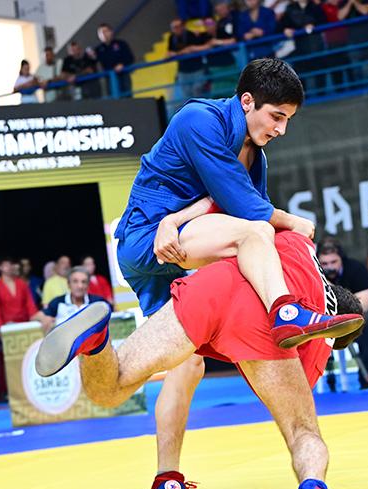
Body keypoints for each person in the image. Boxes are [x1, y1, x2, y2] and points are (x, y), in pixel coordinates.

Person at [36, 230, 364, 489]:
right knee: (303, 431)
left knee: (110, 388)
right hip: (263, 322)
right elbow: (281, 395)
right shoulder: (320, 341)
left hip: (210, 283)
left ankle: (96, 342)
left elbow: (247, 224)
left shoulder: (298, 241)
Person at [114, 58, 354, 351]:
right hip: (146, 239)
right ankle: (287, 313)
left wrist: (173, 220)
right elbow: (249, 211)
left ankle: (97, 352)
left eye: (287, 120)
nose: (281, 129)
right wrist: (294, 221)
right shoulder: (198, 119)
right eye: (276, 117)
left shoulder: (255, 155)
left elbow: (225, 202)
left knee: (185, 362)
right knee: (256, 234)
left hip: (179, 235)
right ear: (247, 101)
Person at [317, 240, 368, 389]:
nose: (330, 267)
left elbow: (364, 304)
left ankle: (367, 379)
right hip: (324, 321)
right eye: (324, 264)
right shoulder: (313, 273)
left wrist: (343, 316)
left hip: (356, 318)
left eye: (333, 262)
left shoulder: (356, 269)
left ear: (341, 259)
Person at [280, 0, 328, 95]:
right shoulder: (290, 9)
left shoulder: (315, 7)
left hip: (316, 45)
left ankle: (322, 94)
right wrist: (285, 29)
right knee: (301, 74)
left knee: (319, 71)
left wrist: (313, 24)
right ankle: (304, 97)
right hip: (300, 47)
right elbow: (282, 25)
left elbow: (323, 20)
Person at [0, 258, 50, 330]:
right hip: (6, 325)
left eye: (11, 265)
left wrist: (36, 317)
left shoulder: (22, 284)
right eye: (6, 265)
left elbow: (29, 303)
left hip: (24, 323)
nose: (10, 267)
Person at [44, 267, 110, 326]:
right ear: (68, 284)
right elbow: (40, 315)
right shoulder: (57, 302)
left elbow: (113, 316)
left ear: (88, 285)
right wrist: (45, 318)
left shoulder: (98, 302)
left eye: (84, 282)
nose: (80, 286)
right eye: (75, 281)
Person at [167, 18, 209, 107]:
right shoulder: (172, 38)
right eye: (174, 27)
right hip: (183, 70)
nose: (177, 29)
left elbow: (197, 48)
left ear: (183, 26)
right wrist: (177, 53)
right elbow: (170, 52)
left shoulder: (191, 34)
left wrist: (186, 51)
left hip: (197, 68)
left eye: (178, 26)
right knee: (187, 95)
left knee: (197, 91)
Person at [207, 3, 240, 97]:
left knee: (235, 91)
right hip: (214, 69)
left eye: (211, 23)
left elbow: (233, 40)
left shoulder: (224, 28)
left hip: (229, 63)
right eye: (207, 24)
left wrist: (217, 42)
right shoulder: (203, 36)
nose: (209, 26)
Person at [93, 23, 135, 97]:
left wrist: (122, 64)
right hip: (110, 78)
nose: (103, 34)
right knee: (114, 99)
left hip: (123, 75)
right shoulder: (98, 49)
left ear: (111, 32)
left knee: (127, 98)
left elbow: (130, 57)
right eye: (101, 33)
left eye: (105, 31)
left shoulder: (121, 43)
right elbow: (93, 62)